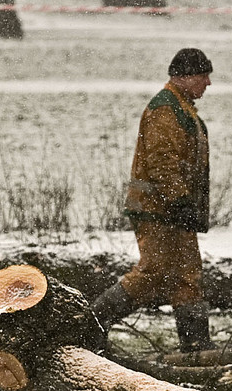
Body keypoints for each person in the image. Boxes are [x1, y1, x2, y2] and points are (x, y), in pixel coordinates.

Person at [90, 48, 217, 353]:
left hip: (172, 210)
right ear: (184, 77)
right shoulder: (165, 109)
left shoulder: (181, 107)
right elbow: (162, 161)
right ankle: (90, 324)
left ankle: (197, 347)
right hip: (157, 211)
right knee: (154, 272)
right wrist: (180, 202)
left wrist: (184, 206)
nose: (208, 83)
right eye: (203, 76)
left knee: (188, 276)